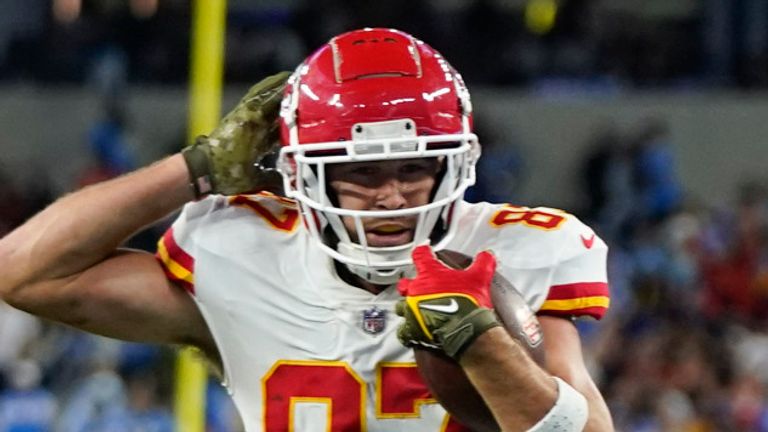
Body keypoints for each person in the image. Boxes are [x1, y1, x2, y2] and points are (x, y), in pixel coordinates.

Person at [0, 28, 613, 431]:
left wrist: (485, 349)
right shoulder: (243, 250)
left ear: (456, 162)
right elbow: (24, 273)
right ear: (301, 173)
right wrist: (198, 168)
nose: (391, 194)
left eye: (414, 167)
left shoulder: (523, 249)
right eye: (361, 173)